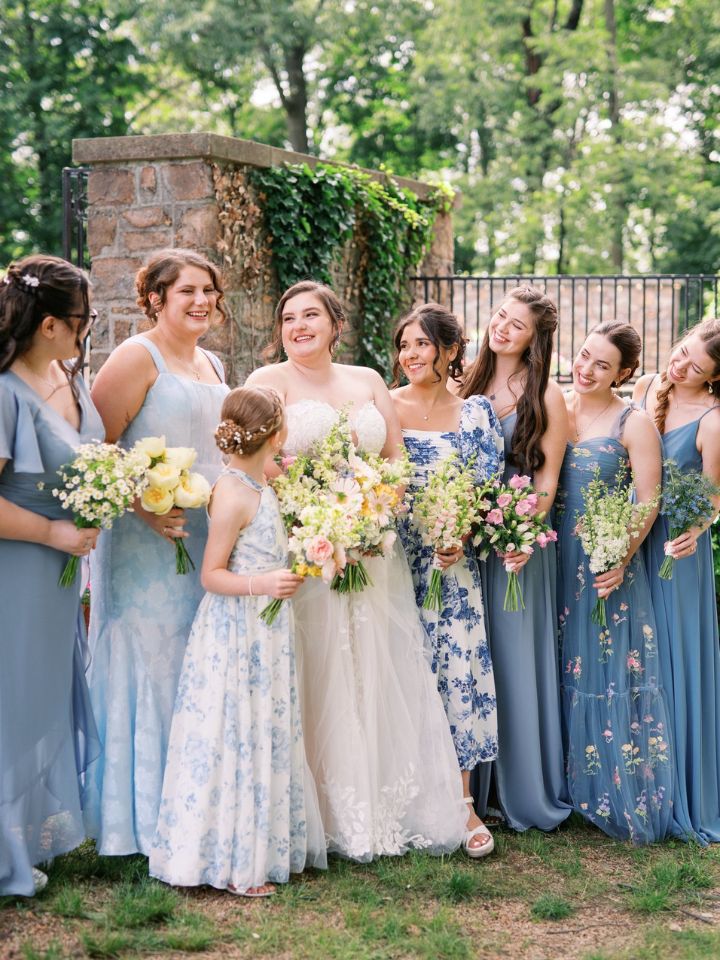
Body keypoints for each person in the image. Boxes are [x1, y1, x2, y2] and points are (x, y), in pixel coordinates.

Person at [246, 280, 468, 861]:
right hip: (307, 545)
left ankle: (380, 807)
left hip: (371, 548)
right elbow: (255, 460)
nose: (298, 326)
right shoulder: (267, 381)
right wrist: (317, 515)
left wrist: (373, 514)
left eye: (310, 315)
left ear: (335, 325)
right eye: (288, 318)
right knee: (319, 663)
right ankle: (316, 810)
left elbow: (394, 457)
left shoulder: (368, 380)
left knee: (374, 664)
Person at [150, 387, 326, 896]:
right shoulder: (231, 493)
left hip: (266, 631)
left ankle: (262, 850)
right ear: (275, 435)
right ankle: (234, 861)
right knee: (238, 733)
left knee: (263, 729)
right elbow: (212, 574)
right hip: (237, 629)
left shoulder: (260, 479)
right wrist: (264, 583)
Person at [83, 249, 230, 856]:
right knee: (152, 656)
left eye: (208, 291)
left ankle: (194, 810)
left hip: (207, 538)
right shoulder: (134, 356)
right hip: (144, 543)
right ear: (155, 299)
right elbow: (94, 449)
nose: (201, 301)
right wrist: (144, 506)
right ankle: (137, 818)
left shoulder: (213, 363)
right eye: (187, 291)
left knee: (198, 659)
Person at [0, 255, 102, 896]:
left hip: (61, 574)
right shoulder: (4, 392)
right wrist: (54, 532)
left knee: (40, 698)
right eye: (82, 318)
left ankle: (24, 830)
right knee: (10, 701)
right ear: (49, 325)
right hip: (18, 567)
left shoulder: (68, 375)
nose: (87, 329)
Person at [391, 303, 503, 856]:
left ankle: (462, 804)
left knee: (454, 671)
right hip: (391, 561)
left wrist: (459, 532)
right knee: (398, 669)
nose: (409, 355)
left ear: (451, 350)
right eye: (403, 345)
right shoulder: (383, 405)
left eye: (421, 344)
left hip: (451, 567)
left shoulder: (475, 413)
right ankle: (397, 795)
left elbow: (485, 489)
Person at [459, 285, 571, 832]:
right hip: (465, 535)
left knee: (512, 654)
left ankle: (518, 789)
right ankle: (470, 790)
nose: (502, 328)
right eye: (500, 316)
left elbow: (547, 479)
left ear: (534, 340)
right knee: (470, 653)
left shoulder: (546, 394)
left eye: (516, 325)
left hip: (515, 542)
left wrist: (523, 534)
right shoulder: (467, 380)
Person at [556, 321, 672, 842]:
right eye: (584, 356)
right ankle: (556, 783)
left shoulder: (634, 422)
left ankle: (605, 785)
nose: (586, 369)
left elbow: (648, 500)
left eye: (601, 364)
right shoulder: (556, 405)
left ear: (622, 374)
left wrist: (618, 557)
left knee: (601, 665)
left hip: (602, 560)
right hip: (551, 556)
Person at [634, 319, 720, 843]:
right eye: (683, 351)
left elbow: (713, 497)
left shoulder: (714, 420)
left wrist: (696, 528)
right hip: (631, 535)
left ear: (714, 378)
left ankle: (680, 789)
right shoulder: (645, 386)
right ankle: (635, 777)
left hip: (675, 549)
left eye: (696, 366)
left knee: (672, 655)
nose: (681, 365)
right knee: (634, 650)